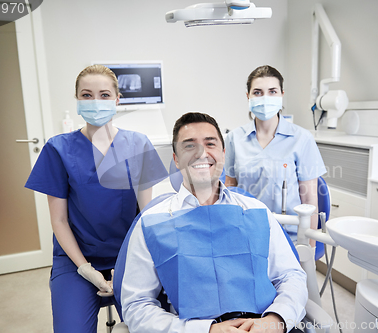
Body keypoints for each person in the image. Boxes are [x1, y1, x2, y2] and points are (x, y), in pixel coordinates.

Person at [120, 112, 308, 333]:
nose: (202, 153)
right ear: (176, 159)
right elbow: (136, 305)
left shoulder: (256, 211)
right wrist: (206, 330)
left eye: (210, 144)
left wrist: (276, 320)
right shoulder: (153, 222)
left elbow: (290, 276)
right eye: (189, 146)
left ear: (223, 153)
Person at [25, 64, 168, 333]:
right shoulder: (58, 148)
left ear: (117, 100)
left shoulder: (138, 144)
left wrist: (132, 262)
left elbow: (145, 215)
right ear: (78, 100)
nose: (95, 102)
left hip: (128, 254)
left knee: (153, 325)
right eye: (86, 95)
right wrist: (86, 269)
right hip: (76, 259)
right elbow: (59, 221)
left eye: (104, 95)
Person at [224, 65, 326, 246]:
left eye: (272, 91)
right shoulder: (234, 139)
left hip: (291, 235)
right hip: (247, 233)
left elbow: (310, 199)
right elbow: (230, 190)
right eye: (257, 92)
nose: (265, 98)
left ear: (281, 95)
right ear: (247, 96)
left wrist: (308, 247)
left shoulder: (301, 139)